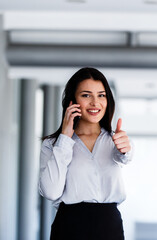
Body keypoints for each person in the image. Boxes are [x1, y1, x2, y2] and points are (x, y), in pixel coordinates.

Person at [39, 67, 133, 240]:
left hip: (108, 227)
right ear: (72, 100)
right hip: (69, 227)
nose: (95, 103)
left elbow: (124, 157)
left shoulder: (116, 141)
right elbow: (51, 192)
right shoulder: (52, 144)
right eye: (86, 95)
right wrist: (65, 139)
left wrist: (125, 150)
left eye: (101, 95)